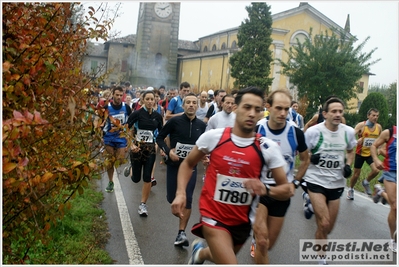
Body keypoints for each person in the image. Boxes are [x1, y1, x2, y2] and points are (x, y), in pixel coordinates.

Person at [171, 87, 292, 264]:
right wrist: (181, 193)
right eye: (247, 107)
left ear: (261, 114)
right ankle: (203, 251)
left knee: (222, 255)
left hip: (242, 221)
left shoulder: (267, 148)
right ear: (235, 108)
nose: (251, 113)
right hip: (213, 215)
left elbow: (287, 189)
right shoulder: (214, 137)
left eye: (257, 110)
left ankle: (201, 253)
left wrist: (266, 190)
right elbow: (188, 163)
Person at [251, 89, 310, 263]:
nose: (283, 113)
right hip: (259, 192)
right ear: (268, 107)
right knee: (262, 241)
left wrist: (296, 183)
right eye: (279, 108)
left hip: (281, 193)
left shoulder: (296, 133)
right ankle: (257, 239)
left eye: (287, 109)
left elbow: (306, 160)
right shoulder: (257, 129)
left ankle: (257, 241)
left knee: (268, 245)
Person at [303, 97, 356, 265]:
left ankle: (310, 205)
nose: (338, 114)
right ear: (325, 114)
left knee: (328, 228)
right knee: (324, 222)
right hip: (316, 181)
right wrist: (312, 157)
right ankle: (322, 258)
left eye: (340, 111)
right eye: (334, 111)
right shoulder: (313, 132)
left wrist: (348, 164)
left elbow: (350, 151)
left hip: (337, 183)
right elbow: (302, 154)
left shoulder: (348, 132)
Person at [156, 93, 206, 247]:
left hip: (191, 168)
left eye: (193, 103)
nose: (191, 105)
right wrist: (168, 150)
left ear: (197, 106)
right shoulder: (175, 121)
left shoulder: (202, 126)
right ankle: (176, 206)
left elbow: (205, 146)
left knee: (188, 199)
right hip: (174, 165)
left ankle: (181, 232)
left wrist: (205, 156)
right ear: (183, 106)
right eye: (188, 102)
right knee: (173, 198)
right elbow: (159, 137)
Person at [127, 90, 164, 216]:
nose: (149, 101)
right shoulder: (136, 114)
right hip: (137, 148)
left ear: (155, 101)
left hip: (150, 149)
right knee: (136, 179)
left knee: (147, 177)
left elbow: (161, 134)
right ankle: (132, 168)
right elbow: (125, 131)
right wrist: (131, 145)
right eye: (147, 99)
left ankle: (143, 205)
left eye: (151, 99)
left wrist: (160, 147)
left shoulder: (157, 117)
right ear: (142, 100)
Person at [370, 126, 397, 253]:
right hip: (391, 173)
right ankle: (394, 239)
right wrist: (375, 159)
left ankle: (380, 192)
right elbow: (374, 146)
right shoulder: (390, 132)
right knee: (395, 206)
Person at [347, 108, 382, 199]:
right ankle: (351, 189)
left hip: (370, 153)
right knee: (356, 174)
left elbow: (381, 139)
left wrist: (379, 148)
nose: (375, 117)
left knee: (376, 170)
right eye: (373, 115)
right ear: (368, 116)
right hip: (360, 153)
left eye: (377, 116)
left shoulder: (378, 127)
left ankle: (366, 182)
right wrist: (356, 141)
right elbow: (350, 137)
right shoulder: (362, 125)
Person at [102, 86, 132, 192]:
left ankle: (128, 167)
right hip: (109, 137)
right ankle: (110, 182)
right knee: (110, 161)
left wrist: (129, 139)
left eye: (121, 95)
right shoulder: (107, 107)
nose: (119, 97)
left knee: (120, 159)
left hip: (121, 137)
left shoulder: (126, 107)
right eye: (117, 95)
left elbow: (130, 123)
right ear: (113, 95)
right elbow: (101, 122)